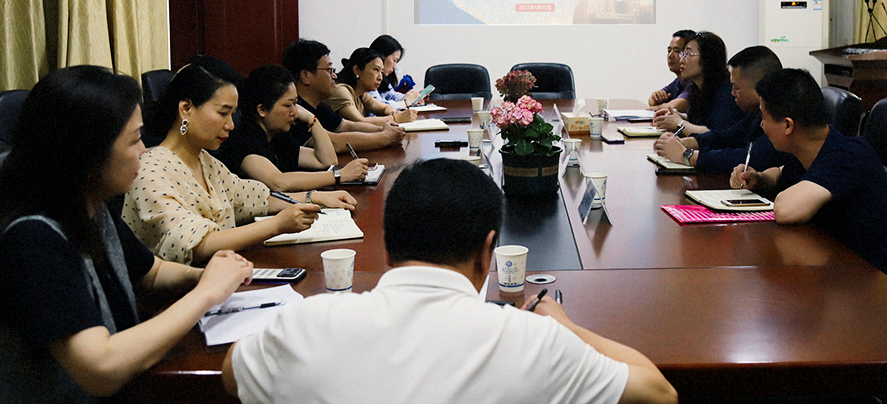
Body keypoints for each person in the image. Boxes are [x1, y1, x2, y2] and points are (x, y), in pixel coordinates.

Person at [221, 158, 677, 404]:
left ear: (387, 248)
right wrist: (565, 326)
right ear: (488, 251)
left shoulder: (305, 324)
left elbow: (232, 373)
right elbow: (659, 393)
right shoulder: (533, 341)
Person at [0, 66, 254, 402]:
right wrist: (207, 292)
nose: (143, 151)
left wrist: (207, 275)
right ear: (88, 151)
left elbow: (153, 272)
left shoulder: (92, 207)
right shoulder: (33, 238)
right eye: (134, 140)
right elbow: (101, 367)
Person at [733, 68, 887, 285]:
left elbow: (786, 210)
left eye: (764, 118)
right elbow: (781, 172)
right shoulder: (813, 147)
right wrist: (759, 178)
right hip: (848, 271)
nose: (762, 126)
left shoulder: (848, 155)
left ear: (788, 125)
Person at [122, 58, 322, 265]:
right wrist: (276, 225)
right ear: (186, 108)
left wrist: (314, 198)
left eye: (233, 115)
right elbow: (194, 244)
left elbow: (253, 198)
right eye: (223, 113)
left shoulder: (206, 161)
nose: (230, 125)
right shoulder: (150, 172)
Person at [214, 63, 367, 195]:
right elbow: (279, 182)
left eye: (296, 103)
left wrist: (312, 120)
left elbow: (326, 161)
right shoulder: (245, 138)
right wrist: (339, 175)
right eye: (288, 105)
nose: (295, 111)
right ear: (262, 110)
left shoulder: (278, 135)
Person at [654, 45, 790, 173]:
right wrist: (686, 143)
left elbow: (750, 158)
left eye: (737, 88)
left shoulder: (780, 116)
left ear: (761, 87)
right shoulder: (756, 113)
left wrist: (686, 155)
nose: (732, 93)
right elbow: (729, 136)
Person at [282, 39, 405, 152]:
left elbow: (349, 126)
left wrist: (384, 129)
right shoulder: (293, 112)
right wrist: (385, 137)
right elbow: (334, 142)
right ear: (306, 76)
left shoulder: (318, 106)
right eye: (329, 70)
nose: (334, 76)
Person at [653, 31, 742, 136]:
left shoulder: (726, 92)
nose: (682, 60)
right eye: (683, 54)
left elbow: (716, 134)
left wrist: (679, 123)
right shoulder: (697, 88)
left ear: (707, 59)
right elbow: (699, 121)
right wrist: (678, 116)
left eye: (688, 54)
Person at [326, 47, 418, 126]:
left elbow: (385, 108)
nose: (380, 78)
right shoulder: (341, 90)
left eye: (381, 72)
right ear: (357, 70)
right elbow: (359, 122)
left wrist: (394, 113)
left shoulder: (361, 94)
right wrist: (397, 118)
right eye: (376, 70)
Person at [368, 34, 423, 109]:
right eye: (394, 60)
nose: (395, 66)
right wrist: (405, 102)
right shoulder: (368, 79)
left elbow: (391, 95)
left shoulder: (383, 79)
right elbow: (380, 106)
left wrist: (412, 97)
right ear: (381, 56)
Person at [648, 29, 696, 111]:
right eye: (669, 51)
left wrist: (659, 107)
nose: (670, 55)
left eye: (677, 51)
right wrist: (656, 97)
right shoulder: (677, 82)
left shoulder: (696, 82)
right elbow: (652, 101)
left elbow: (677, 106)